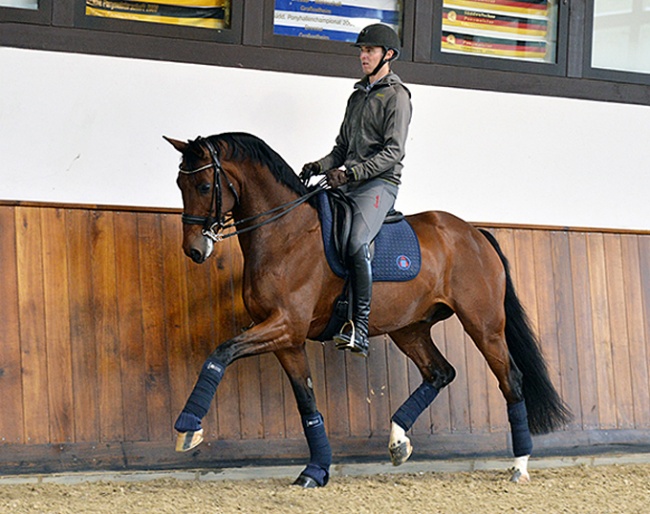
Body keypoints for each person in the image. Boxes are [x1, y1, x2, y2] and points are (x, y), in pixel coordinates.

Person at [301, 23, 412, 358]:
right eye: (362, 51)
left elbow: (394, 152)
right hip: (349, 180)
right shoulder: (357, 95)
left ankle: (359, 326)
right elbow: (341, 147)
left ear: (387, 55)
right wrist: (319, 166)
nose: (363, 56)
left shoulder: (397, 97)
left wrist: (351, 173)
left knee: (355, 241)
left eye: (370, 51)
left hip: (379, 184)